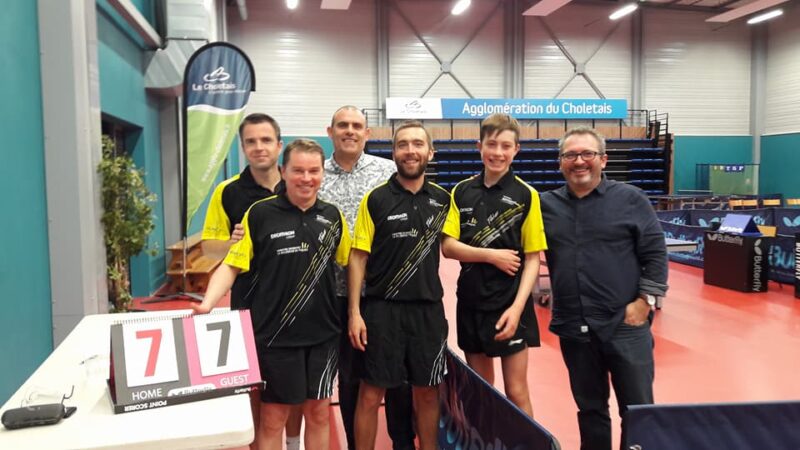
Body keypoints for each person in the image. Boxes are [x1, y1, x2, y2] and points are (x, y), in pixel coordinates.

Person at [194, 139, 351, 450]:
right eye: (298, 170)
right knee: (273, 417)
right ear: (283, 171)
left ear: (322, 174)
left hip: (322, 334)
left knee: (318, 413)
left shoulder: (333, 216)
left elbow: (350, 262)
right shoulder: (260, 214)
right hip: (275, 336)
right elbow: (232, 265)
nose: (306, 178)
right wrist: (207, 304)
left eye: (314, 171)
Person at [540, 127, 668, 450]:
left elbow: (655, 253)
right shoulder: (545, 206)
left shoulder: (631, 199)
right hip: (574, 327)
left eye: (588, 153)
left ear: (604, 159)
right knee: (590, 410)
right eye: (570, 155)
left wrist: (645, 302)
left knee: (638, 411)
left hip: (626, 326)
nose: (579, 161)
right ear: (560, 162)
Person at [316, 106, 416, 450]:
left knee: (398, 374)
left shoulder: (388, 172)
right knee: (351, 377)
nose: (350, 131)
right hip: (333, 294)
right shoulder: (315, 174)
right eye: (342, 125)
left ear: (367, 133)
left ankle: (403, 441)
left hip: (384, 293)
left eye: (357, 125)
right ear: (330, 131)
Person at [348, 121, 450, 450]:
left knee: (428, 392)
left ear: (430, 152)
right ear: (393, 153)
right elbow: (358, 257)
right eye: (403, 144)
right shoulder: (375, 199)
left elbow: (452, 246)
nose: (410, 150)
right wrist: (355, 313)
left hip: (428, 312)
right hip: (382, 311)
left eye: (418, 144)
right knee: (370, 393)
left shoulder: (443, 200)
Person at [441, 113, 547, 417]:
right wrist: (492, 255)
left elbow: (532, 258)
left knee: (516, 390)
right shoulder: (461, 191)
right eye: (491, 144)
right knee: (481, 389)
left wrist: (517, 309)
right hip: (471, 302)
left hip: (510, 305)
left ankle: (526, 441)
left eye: (505, 146)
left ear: (516, 150)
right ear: (479, 146)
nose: (498, 152)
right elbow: (448, 247)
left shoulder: (527, 195)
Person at [201, 113, 283, 309]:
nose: (259, 147)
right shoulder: (226, 191)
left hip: (295, 298)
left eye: (266, 140)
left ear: (279, 146)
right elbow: (208, 249)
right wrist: (233, 244)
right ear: (243, 147)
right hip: (250, 301)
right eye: (251, 141)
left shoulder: (297, 186)